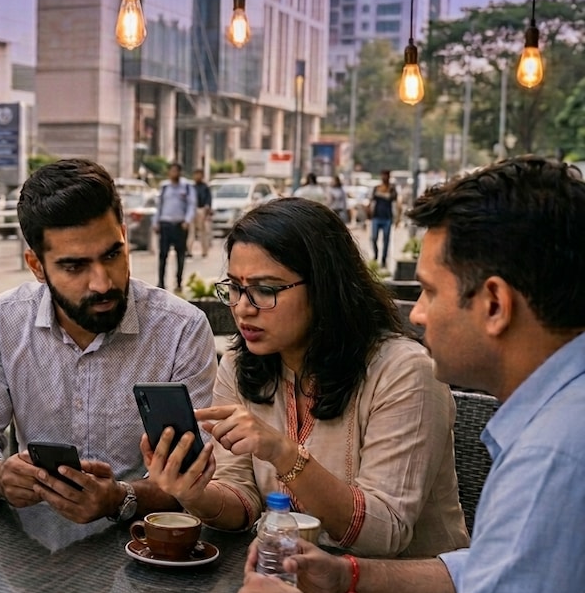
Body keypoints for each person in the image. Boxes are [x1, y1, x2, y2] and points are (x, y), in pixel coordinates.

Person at [231, 157, 585, 593]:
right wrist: (347, 575)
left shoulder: (553, 458)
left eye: (431, 292)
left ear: (494, 304)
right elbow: (492, 571)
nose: (416, 313)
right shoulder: (559, 419)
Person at [145, 197, 467, 558]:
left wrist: (284, 454)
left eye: (266, 290)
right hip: (291, 583)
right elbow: (241, 498)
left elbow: (385, 532)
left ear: (324, 288)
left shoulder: (403, 371)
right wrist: (194, 493)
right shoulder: (241, 363)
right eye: (235, 287)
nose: (243, 307)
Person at [0, 158, 217, 525]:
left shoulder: (180, 330)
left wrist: (120, 498)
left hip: (146, 544)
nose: (102, 283)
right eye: (74, 266)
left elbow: (196, 473)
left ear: (125, 237)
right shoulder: (3, 321)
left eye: (113, 254)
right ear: (36, 265)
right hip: (33, 548)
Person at [152, 162, 196, 293]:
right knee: (163, 255)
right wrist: (156, 222)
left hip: (179, 225)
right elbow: (159, 206)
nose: (173, 174)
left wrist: (187, 220)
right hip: (165, 224)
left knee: (180, 255)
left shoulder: (187, 187)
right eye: (171, 171)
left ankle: (179, 282)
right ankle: (161, 282)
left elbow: (191, 205)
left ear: (179, 172)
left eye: (176, 171)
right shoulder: (165, 187)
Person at [368, 169, 398, 267]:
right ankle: (376, 255)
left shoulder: (392, 189)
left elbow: (394, 199)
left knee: (386, 240)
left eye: (386, 176)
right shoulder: (376, 188)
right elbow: (372, 200)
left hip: (387, 217)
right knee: (374, 238)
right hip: (376, 216)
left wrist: (397, 217)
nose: (384, 177)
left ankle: (384, 259)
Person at [192, 168, 212, 258]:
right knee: (191, 232)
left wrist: (207, 208)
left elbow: (208, 199)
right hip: (192, 210)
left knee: (204, 232)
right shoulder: (192, 187)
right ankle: (189, 250)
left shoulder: (205, 187)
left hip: (202, 209)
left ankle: (205, 250)